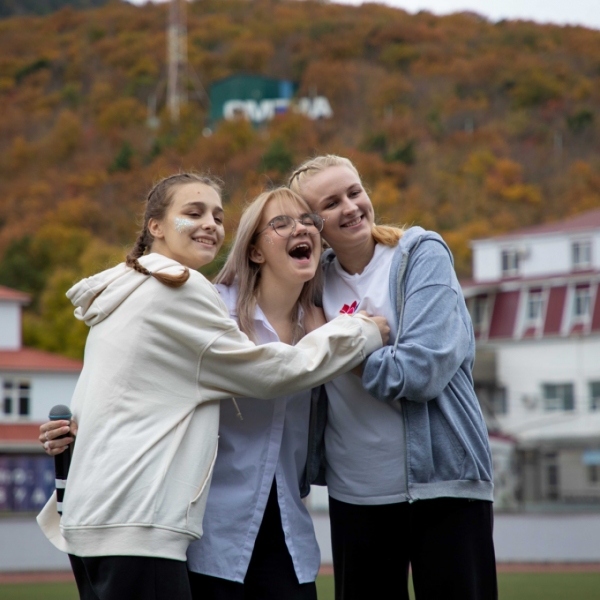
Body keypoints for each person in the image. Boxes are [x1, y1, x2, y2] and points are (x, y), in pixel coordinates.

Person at [37, 172, 388, 600]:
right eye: (193, 212)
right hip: (181, 530)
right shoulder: (193, 296)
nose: (209, 223)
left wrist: (72, 430)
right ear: (156, 227)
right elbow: (270, 373)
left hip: (281, 533)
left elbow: (122, 386)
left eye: (218, 215)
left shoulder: (321, 314)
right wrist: (360, 332)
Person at [289, 155, 498, 600]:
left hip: (444, 484)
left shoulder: (421, 256)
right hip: (356, 494)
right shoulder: (311, 281)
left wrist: (338, 341)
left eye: (354, 191)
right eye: (331, 202)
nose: (350, 207)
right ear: (311, 223)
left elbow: (420, 373)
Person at [186, 187, 333, 600]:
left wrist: (326, 331)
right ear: (254, 252)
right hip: (211, 531)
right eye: (281, 223)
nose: (299, 229)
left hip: (290, 530)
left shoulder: (322, 323)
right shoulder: (213, 309)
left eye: (306, 221)